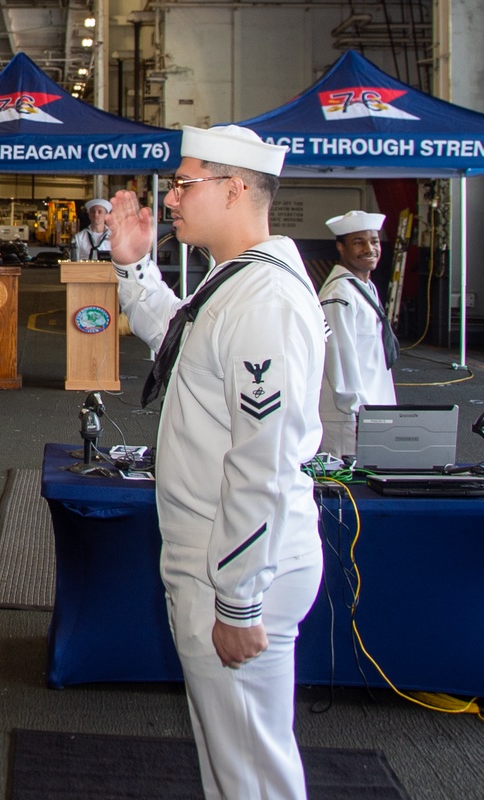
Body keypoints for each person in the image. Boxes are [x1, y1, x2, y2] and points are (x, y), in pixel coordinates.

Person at [108, 125, 326, 800]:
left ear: (236, 189)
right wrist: (133, 267)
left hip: (232, 564)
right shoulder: (239, 284)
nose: (169, 199)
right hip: (223, 558)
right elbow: (180, 339)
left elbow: (262, 463)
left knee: (251, 772)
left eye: (185, 182)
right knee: (236, 761)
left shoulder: (264, 300)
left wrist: (238, 600)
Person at [318, 210, 397, 459]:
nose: (369, 248)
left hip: (372, 412)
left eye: (374, 241)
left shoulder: (364, 286)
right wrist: (360, 413)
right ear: (341, 247)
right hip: (351, 418)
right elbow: (339, 356)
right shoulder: (339, 294)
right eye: (358, 242)